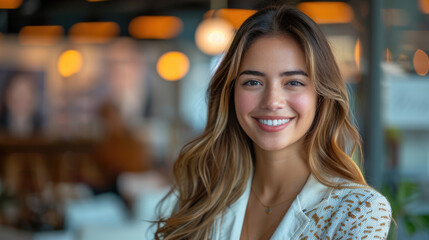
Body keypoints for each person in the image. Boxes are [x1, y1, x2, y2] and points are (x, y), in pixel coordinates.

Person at [155, 5, 392, 240]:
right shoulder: (202, 197)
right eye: (253, 82)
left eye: (294, 82)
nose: (272, 102)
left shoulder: (358, 211)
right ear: (231, 94)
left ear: (321, 95)